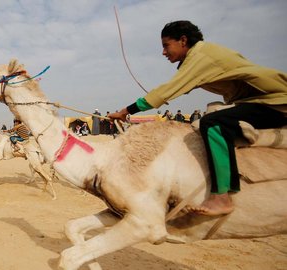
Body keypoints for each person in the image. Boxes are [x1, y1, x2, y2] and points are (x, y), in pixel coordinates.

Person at [108, 20, 287, 216]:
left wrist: (126, 111)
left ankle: (221, 197)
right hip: (260, 102)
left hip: (275, 101)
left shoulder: (200, 56)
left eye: (166, 45)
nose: (163, 52)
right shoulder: (197, 59)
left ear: (183, 40)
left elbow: (166, 91)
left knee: (212, 123)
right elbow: (175, 89)